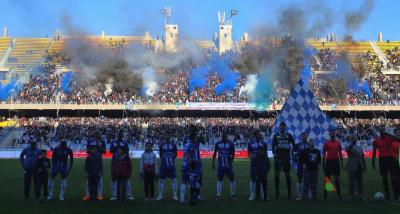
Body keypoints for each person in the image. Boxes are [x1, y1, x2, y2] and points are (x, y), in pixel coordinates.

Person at [372, 127, 399, 201]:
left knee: (394, 179)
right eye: (381, 130)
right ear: (379, 132)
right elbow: (374, 152)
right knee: (385, 179)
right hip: (382, 160)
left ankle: (396, 196)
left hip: (391, 159)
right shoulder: (376, 141)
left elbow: (398, 139)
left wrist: (388, 134)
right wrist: (373, 163)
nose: (382, 131)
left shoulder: (389, 138)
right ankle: (388, 197)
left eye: (383, 130)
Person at [272, 122, 296, 200]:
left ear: (285, 127)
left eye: (283, 127)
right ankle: (277, 193)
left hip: (286, 158)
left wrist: (294, 154)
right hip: (278, 158)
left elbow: (294, 145)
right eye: (281, 127)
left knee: (288, 176)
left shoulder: (289, 135)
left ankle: (289, 194)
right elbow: (272, 146)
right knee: (276, 176)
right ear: (279, 127)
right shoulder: (276, 135)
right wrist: (275, 155)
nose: (282, 128)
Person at [180, 126, 203, 203]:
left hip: (188, 163)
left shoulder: (189, 139)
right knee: (194, 180)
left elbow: (203, 141)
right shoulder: (191, 141)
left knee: (189, 181)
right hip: (192, 164)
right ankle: (192, 198)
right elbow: (188, 154)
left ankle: (185, 198)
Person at [110, 132, 134, 201]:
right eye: (119, 135)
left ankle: (129, 195)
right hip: (115, 161)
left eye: (121, 135)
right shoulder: (113, 142)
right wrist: (116, 147)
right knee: (114, 180)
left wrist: (122, 149)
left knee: (126, 180)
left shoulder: (124, 142)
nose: (120, 136)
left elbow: (127, 151)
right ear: (117, 135)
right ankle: (114, 195)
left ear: (122, 136)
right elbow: (111, 151)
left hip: (123, 160)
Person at [212, 132, 236, 200]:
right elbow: (214, 153)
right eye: (223, 136)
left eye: (225, 136)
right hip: (221, 163)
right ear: (221, 137)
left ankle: (233, 194)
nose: (224, 138)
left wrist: (231, 162)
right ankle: (218, 195)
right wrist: (213, 162)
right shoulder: (218, 143)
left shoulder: (231, 143)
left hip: (228, 163)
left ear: (227, 136)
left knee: (232, 178)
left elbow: (233, 153)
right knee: (220, 178)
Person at [83, 132, 106, 201]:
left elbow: (104, 151)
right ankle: (88, 195)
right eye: (97, 134)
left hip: (98, 161)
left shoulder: (102, 141)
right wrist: (91, 151)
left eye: (99, 134)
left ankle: (99, 195)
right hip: (91, 160)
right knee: (88, 181)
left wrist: (98, 146)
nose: (98, 135)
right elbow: (87, 151)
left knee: (99, 180)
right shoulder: (90, 140)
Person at [322, 129, 343, 200]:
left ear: (335, 134)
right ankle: (325, 194)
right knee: (327, 179)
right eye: (332, 133)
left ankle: (339, 194)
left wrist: (342, 162)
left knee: (337, 178)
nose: (333, 134)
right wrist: (323, 162)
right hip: (329, 161)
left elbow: (340, 153)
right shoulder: (326, 143)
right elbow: (324, 153)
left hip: (336, 161)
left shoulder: (338, 143)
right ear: (329, 134)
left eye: (334, 133)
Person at [156, 133, 178, 201]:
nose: (167, 138)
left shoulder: (173, 145)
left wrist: (171, 159)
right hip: (163, 165)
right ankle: (160, 195)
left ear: (170, 137)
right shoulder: (161, 145)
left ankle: (175, 195)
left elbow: (176, 154)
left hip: (171, 165)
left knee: (174, 179)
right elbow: (160, 154)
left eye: (169, 136)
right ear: (165, 138)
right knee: (161, 180)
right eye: (166, 136)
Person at [248, 130, 268, 200]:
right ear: (255, 135)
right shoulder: (251, 143)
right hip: (254, 164)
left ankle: (263, 196)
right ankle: (252, 195)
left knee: (262, 180)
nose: (260, 136)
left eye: (260, 134)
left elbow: (266, 154)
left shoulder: (264, 143)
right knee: (252, 179)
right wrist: (253, 158)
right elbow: (249, 154)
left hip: (261, 164)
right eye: (258, 134)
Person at [345, 135, 366, 201]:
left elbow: (362, 157)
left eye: (355, 139)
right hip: (352, 166)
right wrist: (351, 144)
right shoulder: (348, 146)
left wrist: (364, 165)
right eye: (353, 139)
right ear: (350, 140)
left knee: (360, 182)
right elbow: (348, 150)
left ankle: (361, 196)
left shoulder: (359, 147)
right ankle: (351, 196)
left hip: (359, 166)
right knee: (351, 182)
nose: (354, 140)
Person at [295, 132, 309, 200]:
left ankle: (307, 194)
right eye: (303, 136)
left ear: (307, 137)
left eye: (305, 136)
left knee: (307, 179)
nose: (304, 137)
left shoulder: (309, 145)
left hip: (308, 165)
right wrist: (295, 158)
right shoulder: (298, 145)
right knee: (299, 179)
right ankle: (299, 195)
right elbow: (293, 152)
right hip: (300, 164)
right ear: (301, 137)